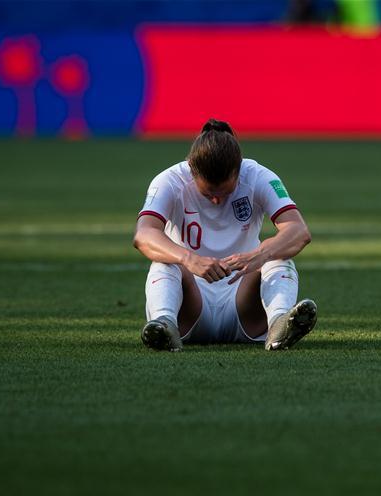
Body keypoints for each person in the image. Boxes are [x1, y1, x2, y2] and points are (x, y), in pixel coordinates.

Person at [133, 119, 316, 351]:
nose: (217, 200)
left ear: (239, 169)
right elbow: (144, 233)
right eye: (209, 193)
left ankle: (279, 324)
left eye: (225, 191)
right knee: (165, 262)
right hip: (189, 304)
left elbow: (299, 231)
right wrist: (188, 258)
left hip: (244, 303)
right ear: (191, 168)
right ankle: (165, 324)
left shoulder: (258, 175)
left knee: (278, 256)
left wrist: (261, 253)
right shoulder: (169, 180)